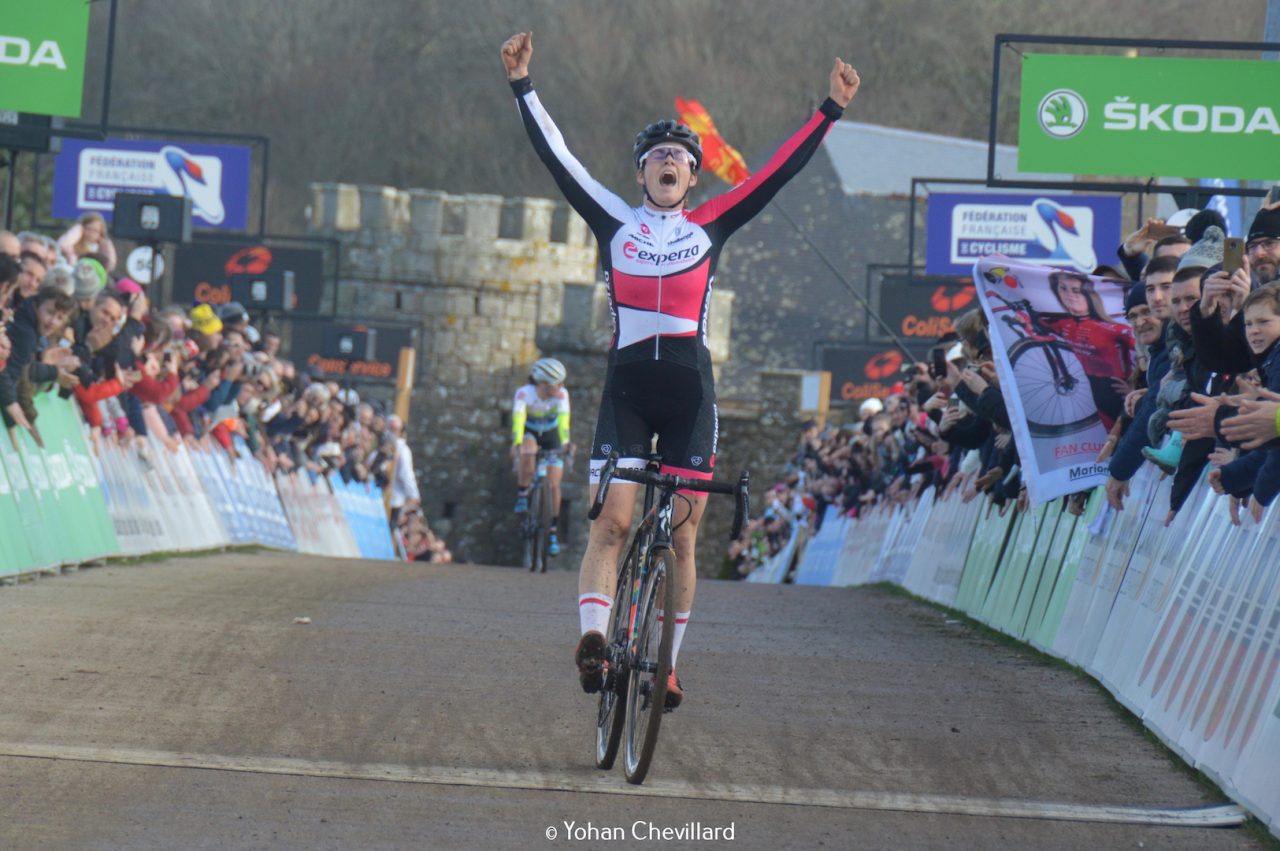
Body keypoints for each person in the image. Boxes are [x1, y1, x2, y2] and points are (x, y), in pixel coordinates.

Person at [502, 30, 861, 708]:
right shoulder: (613, 220)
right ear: (641, 173)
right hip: (628, 390)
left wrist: (829, 110)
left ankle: (667, 661)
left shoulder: (713, 223)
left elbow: (777, 172)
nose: (669, 161)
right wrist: (524, 86)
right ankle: (595, 643)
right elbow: (558, 158)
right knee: (611, 521)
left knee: (688, 532)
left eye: (680, 157)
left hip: (691, 392)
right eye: (657, 156)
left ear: (694, 177)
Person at [1040, 270, 1134, 430]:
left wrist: (1138, 386)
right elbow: (1033, 322)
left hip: (1114, 392)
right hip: (1083, 392)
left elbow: (1152, 350)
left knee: (1120, 444)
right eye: (1063, 288)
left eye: (1076, 290)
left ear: (1091, 294)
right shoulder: (1064, 324)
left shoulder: (1114, 328)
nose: (1069, 295)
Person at [511, 357, 571, 556]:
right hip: (531, 432)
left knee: (554, 485)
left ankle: (552, 530)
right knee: (528, 450)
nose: (561, 387)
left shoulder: (562, 395)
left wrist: (565, 444)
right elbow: (518, 420)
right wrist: (516, 444)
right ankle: (523, 492)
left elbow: (563, 422)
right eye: (557, 384)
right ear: (543, 384)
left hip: (552, 434)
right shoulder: (524, 393)